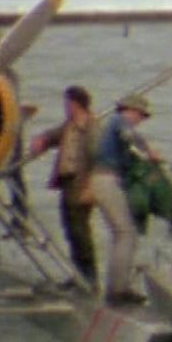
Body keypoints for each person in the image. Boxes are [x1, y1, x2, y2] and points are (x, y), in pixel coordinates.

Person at [88, 93, 162, 307]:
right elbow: (130, 136)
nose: (141, 119)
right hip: (106, 179)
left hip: (106, 180)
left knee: (122, 235)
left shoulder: (112, 126)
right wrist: (149, 151)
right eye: (141, 115)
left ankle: (117, 286)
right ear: (130, 110)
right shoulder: (119, 122)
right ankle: (118, 290)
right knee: (126, 234)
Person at [27, 85, 98, 286]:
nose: (66, 107)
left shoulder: (91, 128)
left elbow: (97, 159)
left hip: (81, 184)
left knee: (80, 231)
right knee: (70, 229)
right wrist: (42, 139)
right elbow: (54, 135)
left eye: (68, 103)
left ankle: (89, 277)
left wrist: (90, 188)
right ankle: (78, 274)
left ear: (76, 104)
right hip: (68, 183)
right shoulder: (70, 125)